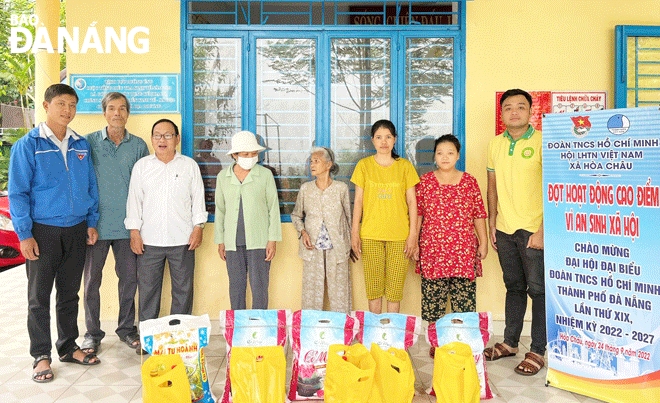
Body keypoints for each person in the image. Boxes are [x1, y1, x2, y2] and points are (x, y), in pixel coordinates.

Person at [8, 83, 101, 383]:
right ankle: (40, 355)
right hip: (42, 231)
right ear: (46, 106)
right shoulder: (29, 144)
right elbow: (18, 193)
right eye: (61, 103)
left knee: (69, 293)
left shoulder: (80, 144)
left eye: (72, 105)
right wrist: (24, 234)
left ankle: (67, 346)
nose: (68, 110)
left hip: (76, 230)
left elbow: (90, 186)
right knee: (38, 296)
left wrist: (91, 221)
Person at [81, 92, 149, 355]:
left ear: (128, 113)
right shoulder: (88, 143)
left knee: (130, 279)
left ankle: (126, 329)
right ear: (104, 112)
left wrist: (139, 227)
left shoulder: (139, 145)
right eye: (112, 108)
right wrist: (88, 221)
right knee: (91, 282)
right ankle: (92, 333)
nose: (117, 113)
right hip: (95, 226)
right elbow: (83, 182)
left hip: (127, 227)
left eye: (122, 108)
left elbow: (143, 188)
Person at [484, 89, 545, 376]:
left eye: (521, 107)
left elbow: (553, 188)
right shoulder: (495, 144)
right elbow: (492, 186)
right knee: (514, 287)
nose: (515, 112)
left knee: (539, 290)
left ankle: (537, 349)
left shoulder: (544, 141)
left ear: (531, 111)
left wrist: (543, 230)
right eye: (508, 108)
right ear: (502, 114)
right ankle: (510, 342)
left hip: (534, 229)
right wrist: (492, 222)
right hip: (505, 229)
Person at [125, 119, 208, 323]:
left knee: (183, 290)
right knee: (148, 291)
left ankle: (179, 337)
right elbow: (134, 201)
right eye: (157, 135)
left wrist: (198, 227)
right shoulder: (142, 167)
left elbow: (198, 199)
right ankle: (147, 337)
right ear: (152, 139)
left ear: (177, 139)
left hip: (183, 240)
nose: (162, 140)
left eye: (168, 135)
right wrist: (134, 232)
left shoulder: (189, 166)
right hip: (149, 241)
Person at [415, 134, 488, 357]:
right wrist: (415, 243)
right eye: (440, 153)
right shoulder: (425, 182)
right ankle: (437, 343)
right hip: (432, 250)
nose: (445, 157)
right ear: (434, 157)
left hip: (463, 251)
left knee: (463, 300)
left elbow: (478, 214)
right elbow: (418, 215)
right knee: (433, 300)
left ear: (457, 155)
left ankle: (461, 342)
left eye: (450, 152)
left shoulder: (469, 181)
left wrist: (483, 242)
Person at [350, 119, 419, 314]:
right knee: (373, 289)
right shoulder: (363, 166)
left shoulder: (405, 167)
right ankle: (375, 338)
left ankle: (391, 338)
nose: (383, 141)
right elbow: (359, 203)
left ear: (395, 139)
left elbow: (413, 203)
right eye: (379, 137)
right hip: (371, 234)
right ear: (372, 140)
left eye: (388, 137)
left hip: (399, 236)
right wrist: (355, 232)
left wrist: (413, 234)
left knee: (395, 291)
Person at [215, 131, 281, 310]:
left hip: (259, 241)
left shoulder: (265, 175)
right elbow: (220, 211)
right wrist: (220, 241)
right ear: (235, 155)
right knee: (236, 287)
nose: (250, 157)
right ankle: (239, 329)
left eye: (254, 154)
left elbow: (273, 208)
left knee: (259, 287)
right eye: (245, 154)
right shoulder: (223, 177)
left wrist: (272, 239)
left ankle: (259, 329)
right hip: (232, 242)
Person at [291, 147, 353, 313]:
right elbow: (296, 215)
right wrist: (303, 232)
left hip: (338, 249)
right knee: (311, 295)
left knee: (340, 295)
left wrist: (351, 245)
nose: (312, 164)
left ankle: (342, 332)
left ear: (329, 165)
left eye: (316, 161)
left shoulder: (341, 189)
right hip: (312, 249)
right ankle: (311, 333)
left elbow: (348, 218)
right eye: (311, 161)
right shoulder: (306, 189)